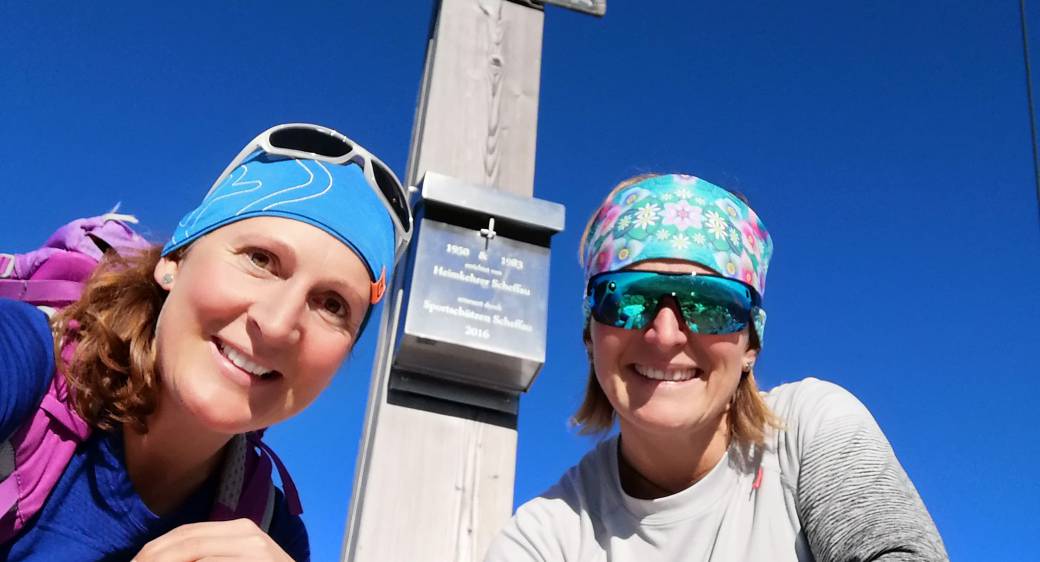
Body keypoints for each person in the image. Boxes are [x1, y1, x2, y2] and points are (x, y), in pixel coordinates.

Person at [0, 123, 411, 561]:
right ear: (174, 261)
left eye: (332, 305)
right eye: (260, 260)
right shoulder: (19, 360)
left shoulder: (271, 534)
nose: (276, 324)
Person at [485, 174, 947, 561]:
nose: (665, 335)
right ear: (591, 333)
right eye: (627, 299)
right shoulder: (544, 538)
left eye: (710, 304)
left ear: (751, 343)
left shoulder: (811, 430)